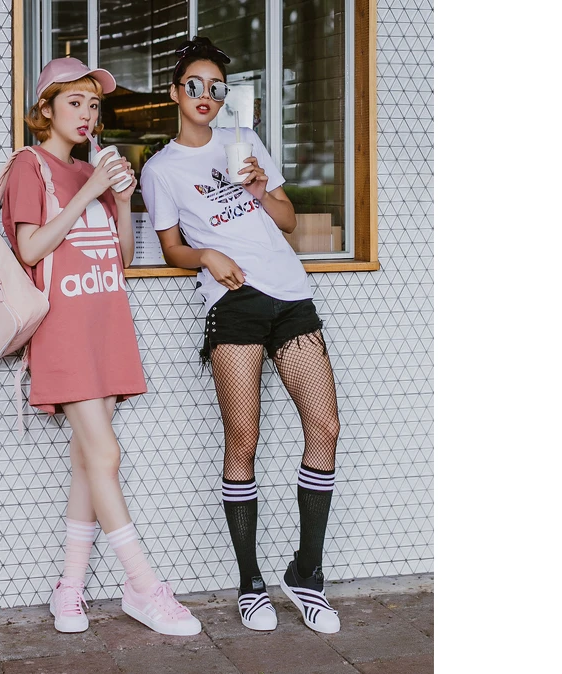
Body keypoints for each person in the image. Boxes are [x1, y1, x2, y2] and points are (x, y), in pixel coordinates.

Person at [140, 37, 341, 634]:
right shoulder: (161, 169)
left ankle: (306, 573)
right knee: (242, 440)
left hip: (290, 294)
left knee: (325, 426)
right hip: (234, 304)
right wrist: (206, 255)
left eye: (216, 88)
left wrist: (258, 191)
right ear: (175, 93)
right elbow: (171, 248)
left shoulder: (244, 142)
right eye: (194, 86)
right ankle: (250, 583)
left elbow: (288, 218)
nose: (205, 95)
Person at [1, 56, 201, 637]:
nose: (87, 113)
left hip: (106, 323)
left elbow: (123, 257)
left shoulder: (92, 169)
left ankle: (69, 588)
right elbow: (30, 249)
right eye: (74, 103)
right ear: (45, 110)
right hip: (63, 331)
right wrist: (89, 189)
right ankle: (143, 586)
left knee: (89, 461)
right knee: (105, 454)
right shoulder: (29, 166)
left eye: (93, 104)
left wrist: (120, 200)